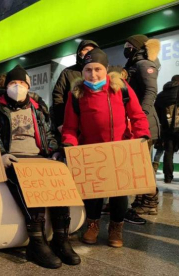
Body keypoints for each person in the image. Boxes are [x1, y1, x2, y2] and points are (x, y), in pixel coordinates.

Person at [0, 65, 80, 269]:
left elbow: (47, 132)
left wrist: (54, 151)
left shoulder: (37, 107)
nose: (17, 87)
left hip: (39, 157)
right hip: (15, 159)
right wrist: (2, 154)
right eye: (13, 83)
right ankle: (37, 243)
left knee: (60, 190)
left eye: (21, 83)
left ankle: (61, 239)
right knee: (32, 194)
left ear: (28, 86)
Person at [62, 48, 150, 248]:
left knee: (119, 194)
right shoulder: (77, 94)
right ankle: (92, 225)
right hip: (91, 151)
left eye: (97, 69)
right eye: (88, 70)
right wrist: (70, 143)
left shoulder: (121, 88)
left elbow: (137, 115)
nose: (93, 74)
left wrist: (141, 136)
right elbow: (70, 126)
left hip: (119, 151)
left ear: (106, 69)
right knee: (93, 194)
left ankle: (115, 228)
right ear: (82, 72)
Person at [124, 34, 161, 216]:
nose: (126, 47)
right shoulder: (133, 64)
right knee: (139, 165)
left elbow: (151, 90)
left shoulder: (143, 64)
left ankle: (150, 202)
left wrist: (142, 115)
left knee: (144, 165)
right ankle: (140, 200)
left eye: (128, 45)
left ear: (136, 47)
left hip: (144, 123)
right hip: (137, 122)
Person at [52, 40, 99, 135]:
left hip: (96, 122)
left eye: (92, 50)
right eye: (86, 49)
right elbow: (58, 96)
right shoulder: (68, 72)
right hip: (74, 125)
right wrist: (60, 123)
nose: (89, 52)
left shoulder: (101, 72)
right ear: (79, 53)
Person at [155, 75, 179, 184]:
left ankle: (167, 177)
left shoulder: (161, 95)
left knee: (168, 153)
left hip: (167, 129)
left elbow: (157, 114)